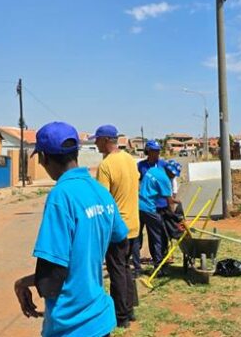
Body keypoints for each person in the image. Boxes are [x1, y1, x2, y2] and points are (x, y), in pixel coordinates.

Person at [14, 121, 128, 337]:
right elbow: (120, 240)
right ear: (76, 153)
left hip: (72, 325)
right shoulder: (100, 191)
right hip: (100, 318)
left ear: (43, 157)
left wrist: (21, 284)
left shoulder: (61, 196)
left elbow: (50, 278)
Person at [92, 124, 140, 328]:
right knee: (126, 268)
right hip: (134, 224)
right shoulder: (130, 159)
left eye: (97, 140)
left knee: (117, 271)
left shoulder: (106, 165)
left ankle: (121, 317)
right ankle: (129, 310)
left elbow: (103, 200)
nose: (95, 144)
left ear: (105, 140)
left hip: (117, 228)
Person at [132, 140, 166, 274]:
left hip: (158, 206)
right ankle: (137, 267)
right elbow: (134, 181)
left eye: (158, 151)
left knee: (156, 237)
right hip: (142, 206)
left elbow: (170, 181)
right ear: (148, 151)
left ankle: (158, 265)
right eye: (154, 151)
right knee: (136, 236)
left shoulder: (162, 165)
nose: (157, 154)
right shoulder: (141, 166)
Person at [138, 157, 174, 276]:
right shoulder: (165, 180)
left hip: (139, 205)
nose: (173, 177)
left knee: (140, 237)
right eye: (173, 175)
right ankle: (159, 267)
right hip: (149, 208)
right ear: (170, 172)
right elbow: (169, 201)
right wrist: (174, 216)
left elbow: (153, 190)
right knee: (158, 237)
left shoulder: (153, 170)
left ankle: (136, 266)